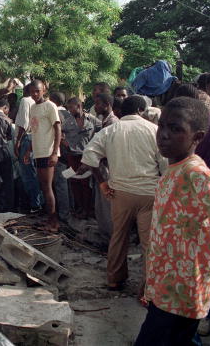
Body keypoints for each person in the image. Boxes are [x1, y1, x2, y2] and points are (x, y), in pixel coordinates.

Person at [135, 97, 210, 346]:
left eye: (176, 129)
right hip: (164, 289)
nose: (164, 135)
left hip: (183, 296)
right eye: (162, 126)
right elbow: (162, 234)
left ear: (198, 137)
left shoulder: (200, 177)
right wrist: (148, 279)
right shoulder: (170, 173)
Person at [80, 95, 167, 295]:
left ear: (121, 111)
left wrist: (102, 183)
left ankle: (114, 280)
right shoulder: (154, 130)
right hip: (149, 194)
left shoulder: (110, 130)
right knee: (148, 242)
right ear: (141, 110)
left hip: (120, 193)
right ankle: (148, 288)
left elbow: (89, 156)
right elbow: (165, 165)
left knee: (119, 236)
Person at [23, 79, 62, 232]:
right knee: (44, 187)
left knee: (47, 187)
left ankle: (54, 223)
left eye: (37, 91)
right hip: (38, 152)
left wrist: (54, 153)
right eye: (32, 92)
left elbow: (58, 129)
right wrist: (29, 150)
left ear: (44, 90)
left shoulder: (50, 106)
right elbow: (34, 131)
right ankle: (50, 220)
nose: (34, 94)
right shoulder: (32, 107)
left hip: (48, 151)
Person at [62, 97, 101, 219]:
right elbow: (59, 133)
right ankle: (79, 208)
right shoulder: (67, 121)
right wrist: (64, 142)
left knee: (87, 184)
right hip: (72, 157)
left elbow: (101, 132)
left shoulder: (92, 120)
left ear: (78, 106)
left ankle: (88, 209)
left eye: (70, 108)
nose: (69, 110)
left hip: (87, 157)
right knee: (74, 183)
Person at [92, 93, 119, 240]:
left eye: (98, 104)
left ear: (107, 105)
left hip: (108, 170)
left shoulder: (113, 123)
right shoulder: (104, 122)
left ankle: (111, 237)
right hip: (102, 168)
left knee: (107, 204)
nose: (95, 107)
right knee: (102, 205)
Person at [13, 83, 42, 214]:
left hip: (26, 139)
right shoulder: (35, 104)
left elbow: (24, 124)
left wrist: (18, 142)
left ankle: (35, 204)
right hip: (34, 138)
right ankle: (37, 202)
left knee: (28, 173)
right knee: (33, 172)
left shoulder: (25, 101)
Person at [50, 91, 72, 223]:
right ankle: (69, 209)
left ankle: (63, 214)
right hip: (69, 153)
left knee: (60, 184)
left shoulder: (55, 113)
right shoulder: (69, 113)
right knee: (67, 182)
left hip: (58, 153)